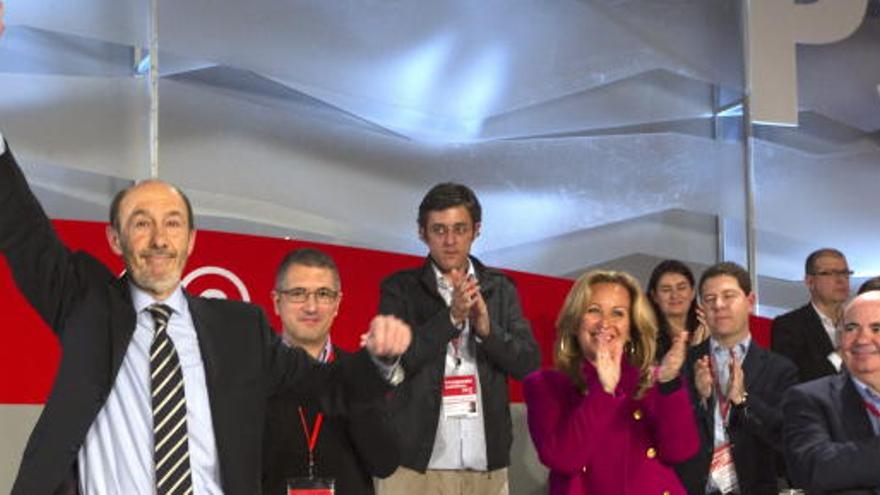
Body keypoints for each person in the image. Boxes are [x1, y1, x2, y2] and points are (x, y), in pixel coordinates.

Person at [0, 128, 411, 494]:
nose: (159, 239)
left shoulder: (239, 330)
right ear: (114, 239)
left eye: (173, 223)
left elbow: (330, 386)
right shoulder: (85, 304)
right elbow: (19, 224)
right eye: (141, 223)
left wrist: (380, 361)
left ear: (192, 240)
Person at [374, 182, 541, 495]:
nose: (450, 241)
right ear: (422, 232)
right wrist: (450, 320)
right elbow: (394, 367)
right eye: (438, 230)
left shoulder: (501, 289)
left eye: (459, 229)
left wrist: (488, 332)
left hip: (485, 466)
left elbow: (528, 365)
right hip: (414, 466)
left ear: (476, 230)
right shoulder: (400, 289)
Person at [523, 270, 699, 495]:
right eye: (593, 310)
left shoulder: (649, 379)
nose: (605, 323)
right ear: (575, 321)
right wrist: (604, 391)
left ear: (631, 328)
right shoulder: (544, 385)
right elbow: (564, 459)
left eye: (618, 313)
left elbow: (680, 451)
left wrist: (669, 382)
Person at [262, 248, 399, 494]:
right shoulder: (253, 374)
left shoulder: (357, 372)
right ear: (276, 302)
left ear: (337, 304)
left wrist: (357, 391)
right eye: (298, 293)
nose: (311, 307)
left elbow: (384, 463)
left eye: (323, 294)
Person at [675, 262, 797, 495]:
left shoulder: (780, 369)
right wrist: (699, 399)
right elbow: (670, 434)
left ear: (750, 302)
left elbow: (785, 437)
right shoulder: (682, 364)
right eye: (709, 299)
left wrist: (743, 400)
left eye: (728, 296)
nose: (718, 305)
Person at [782, 291, 880, 494]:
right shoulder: (808, 398)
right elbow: (813, 468)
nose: (862, 339)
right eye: (851, 328)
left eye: (876, 328)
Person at [772, 248, 852, 383]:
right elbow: (793, 381)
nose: (841, 280)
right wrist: (840, 354)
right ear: (810, 282)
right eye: (829, 273)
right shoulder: (789, 326)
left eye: (845, 273)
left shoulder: (860, 321)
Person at [647, 259, 709, 357]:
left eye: (681, 288)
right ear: (654, 296)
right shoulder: (646, 339)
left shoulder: (710, 329)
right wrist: (695, 350)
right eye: (666, 290)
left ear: (693, 292)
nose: (674, 295)